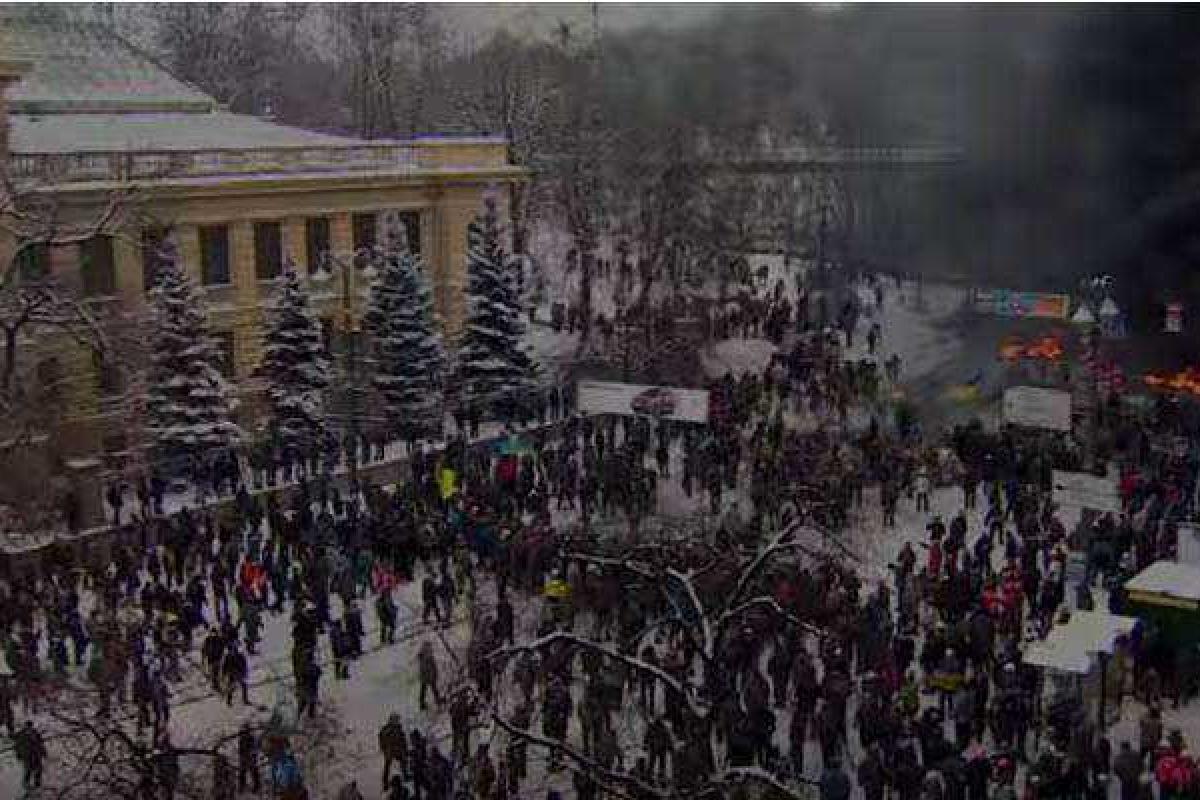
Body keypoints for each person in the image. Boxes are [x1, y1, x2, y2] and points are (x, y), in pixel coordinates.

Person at [13, 719, 45, 790]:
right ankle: (26, 784)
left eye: (30, 726)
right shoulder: (21, 735)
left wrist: (43, 752)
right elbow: (17, 746)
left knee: (39, 769)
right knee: (28, 769)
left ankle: (37, 783)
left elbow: (41, 743)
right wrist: (19, 754)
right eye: (28, 726)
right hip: (27, 755)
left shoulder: (36, 733)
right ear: (25, 726)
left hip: (36, 754)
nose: (29, 728)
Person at [379, 713, 408, 790]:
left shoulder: (398, 728)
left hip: (397, 750)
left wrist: (404, 748)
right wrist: (384, 749)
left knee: (403, 762)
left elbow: (402, 739)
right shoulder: (387, 729)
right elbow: (382, 739)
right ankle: (385, 782)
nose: (397, 721)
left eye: (397, 720)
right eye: (396, 720)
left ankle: (405, 775)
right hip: (390, 750)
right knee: (387, 766)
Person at [237, 722, 261, 794]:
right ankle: (242, 787)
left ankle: (256, 786)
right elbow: (241, 748)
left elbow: (255, 747)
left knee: (253, 772)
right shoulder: (242, 737)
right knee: (243, 772)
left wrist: (253, 753)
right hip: (244, 757)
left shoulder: (251, 737)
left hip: (250, 757)